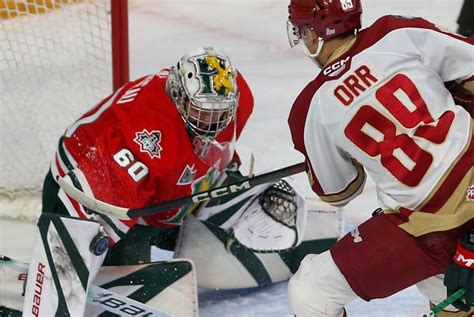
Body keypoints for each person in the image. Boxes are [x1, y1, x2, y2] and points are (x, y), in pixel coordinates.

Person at [18, 46, 334, 316]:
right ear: (179, 96)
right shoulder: (145, 136)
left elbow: (210, 150)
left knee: (217, 191)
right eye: (202, 111)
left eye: (218, 112)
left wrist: (225, 184)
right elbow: (106, 214)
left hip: (162, 180)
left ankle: (192, 226)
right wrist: (80, 259)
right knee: (124, 255)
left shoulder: (237, 100)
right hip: (88, 176)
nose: (212, 121)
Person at [285, 0, 474, 316]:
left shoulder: (309, 107)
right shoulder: (396, 31)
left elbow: (339, 191)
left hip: (429, 227)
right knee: (442, 286)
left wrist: (352, 152)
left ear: (313, 32)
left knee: (311, 291)